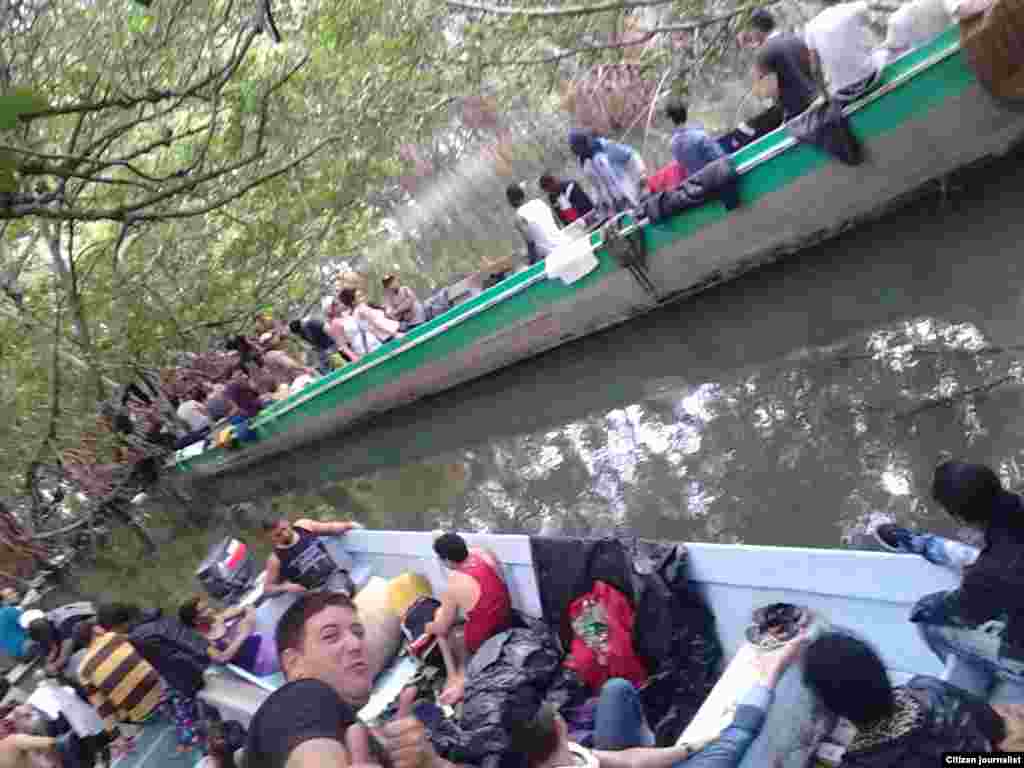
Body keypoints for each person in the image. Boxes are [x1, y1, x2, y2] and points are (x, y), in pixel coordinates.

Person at [511, 634, 809, 768]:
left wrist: (686, 749)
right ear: (559, 726)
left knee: (616, 690)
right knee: (738, 735)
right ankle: (773, 669)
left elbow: (629, 761)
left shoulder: (568, 754)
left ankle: (659, 744)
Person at [245, 591, 453, 768]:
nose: (356, 644)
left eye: (358, 633)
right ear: (294, 663)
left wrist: (432, 763)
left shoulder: (362, 732)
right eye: (330, 636)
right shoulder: (298, 698)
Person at [874, 460, 1024, 700]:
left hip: (1018, 651)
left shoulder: (988, 573)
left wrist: (936, 603)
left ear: (959, 517)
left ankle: (982, 681)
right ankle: (916, 542)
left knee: (926, 619)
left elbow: (958, 610)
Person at [801, 630, 1014, 763]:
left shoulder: (860, 761)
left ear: (830, 707)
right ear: (880, 671)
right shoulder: (930, 689)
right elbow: (995, 727)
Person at [97, 602, 210, 751]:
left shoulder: (137, 638)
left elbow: (173, 660)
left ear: (116, 626)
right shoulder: (154, 618)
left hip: (191, 677)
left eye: (110, 631)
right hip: (200, 661)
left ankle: (199, 743)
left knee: (189, 726)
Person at [424, 532, 513, 705]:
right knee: (458, 618)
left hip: (483, 639)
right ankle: (460, 674)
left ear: (447, 560)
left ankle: (454, 676)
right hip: (506, 622)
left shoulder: (454, 582)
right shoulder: (484, 554)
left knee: (441, 624)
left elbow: (442, 627)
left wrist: (428, 627)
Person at [77, 620, 165, 753]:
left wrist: (116, 737)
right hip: (164, 694)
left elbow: (102, 706)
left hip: (142, 715)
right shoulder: (114, 637)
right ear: (96, 630)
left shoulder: (83, 670)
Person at [744, 9, 818, 119]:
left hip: (799, 116)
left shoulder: (763, 52)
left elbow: (768, 92)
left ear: (757, 30)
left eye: (751, 30)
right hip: (818, 103)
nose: (751, 35)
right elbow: (814, 69)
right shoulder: (794, 38)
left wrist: (757, 79)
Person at [262, 517, 361, 598]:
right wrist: (286, 587)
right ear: (271, 537)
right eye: (278, 535)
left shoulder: (304, 526)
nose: (285, 534)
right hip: (313, 593)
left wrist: (348, 525)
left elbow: (330, 527)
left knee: (338, 594)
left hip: (335, 577)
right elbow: (267, 589)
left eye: (284, 529)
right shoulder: (275, 559)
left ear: (287, 522)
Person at [179, 596, 277, 676]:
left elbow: (248, 607)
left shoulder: (217, 619)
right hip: (258, 662)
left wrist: (249, 619)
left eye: (207, 607)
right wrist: (243, 633)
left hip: (266, 644)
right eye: (204, 610)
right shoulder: (201, 641)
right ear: (196, 621)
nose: (211, 610)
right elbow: (221, 659)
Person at [804, 1, 879, 97]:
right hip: (871, 78)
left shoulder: (810, 27)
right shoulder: (855, 8)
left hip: (845, 92)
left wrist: (826, 96)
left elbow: (815, 69)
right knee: (881, 53)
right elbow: (877, 29)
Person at [567, 130, 648, 217]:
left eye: (578, 148)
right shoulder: (584, 163)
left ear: (584, 142)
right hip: (615, 204)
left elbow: (631, 155)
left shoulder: (605, 147)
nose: (578, 152)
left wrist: (641, 174)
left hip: (629, 191)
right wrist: (598, 202)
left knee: (643, 215)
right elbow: (596, 185)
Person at [23, 602, 96, 678]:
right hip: (79, 630)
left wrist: (54, 666)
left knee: (71, 668)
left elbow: (64, 657)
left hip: (95, 624)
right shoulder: (46, 622)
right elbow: (52, 647)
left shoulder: (63, 623)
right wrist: (49, 661)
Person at [507, 184, 572, 265]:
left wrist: (530, 262)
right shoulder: (539, 202)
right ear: (523, 194)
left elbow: (531, 243)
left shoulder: (518, 217)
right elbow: (557, 223)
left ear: (511, 201)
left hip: (552, 256)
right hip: (566, 243)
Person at [665, 100, 726, 177]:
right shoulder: (700, 136)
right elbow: (720, 157)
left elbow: (682, 167)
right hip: (716, 176)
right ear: (685, 114)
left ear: (671, 120)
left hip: (697, 181)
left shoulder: (673, 145)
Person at [336, 288, 403, 348]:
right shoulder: (362, 309)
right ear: (353, 301)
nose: (363, 298)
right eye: (359, 297)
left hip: (383, 336)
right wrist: (395, 334)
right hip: (391, 332)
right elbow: (377, 322)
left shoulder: (354, 313)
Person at [0, 590, 30, 665]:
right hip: (24, 649)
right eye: (10, 594)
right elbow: (30, 627)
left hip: (13, 656)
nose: (16, 594)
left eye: (14, 592)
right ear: (3, 601)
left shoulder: (4, 612)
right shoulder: (10, 611)